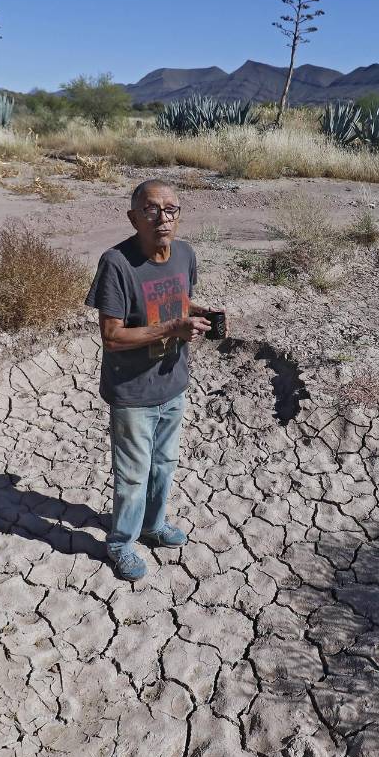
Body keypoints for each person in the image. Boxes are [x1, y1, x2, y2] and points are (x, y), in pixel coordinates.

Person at [84, 179, 218, 581]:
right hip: (133, 393)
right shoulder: (117, 263)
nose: (163, 218)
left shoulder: (185, 254)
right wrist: (173, 328)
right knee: (132, 475)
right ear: (134, 217)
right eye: (151, 210)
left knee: (164, 465)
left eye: (171, 209)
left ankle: (153, 525)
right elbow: (112, 336)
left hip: (173, 383)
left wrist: (199, 315)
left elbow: (177, 302)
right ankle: (120, 543)